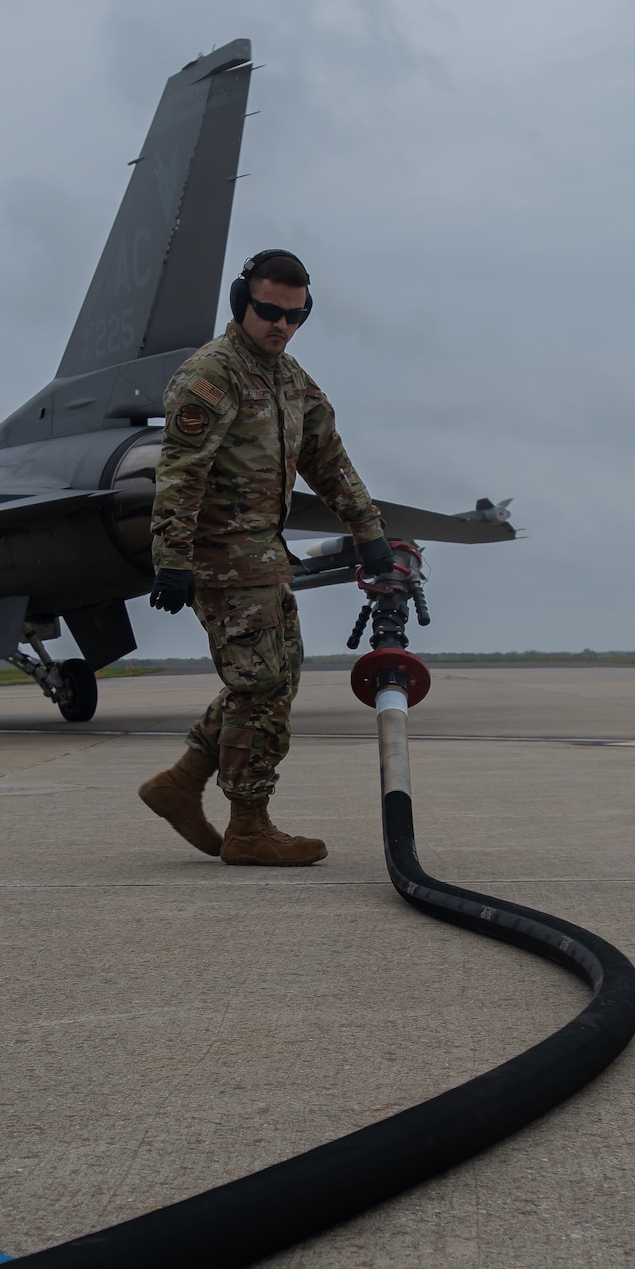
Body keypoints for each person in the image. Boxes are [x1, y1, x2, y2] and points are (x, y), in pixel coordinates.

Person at [139, 248, 393, 866]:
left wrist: (368, 529)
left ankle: (180, 783)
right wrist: (171, 558)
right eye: (269, 311)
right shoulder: (211, 377)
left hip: (267, 557)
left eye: (295, 317)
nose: (281, 325)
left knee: (273, 684)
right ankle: (249, 825)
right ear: (240, 303)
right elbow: (179, 473)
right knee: (260, 685)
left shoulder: (290, 379)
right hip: (222, 558)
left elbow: (327, 458)